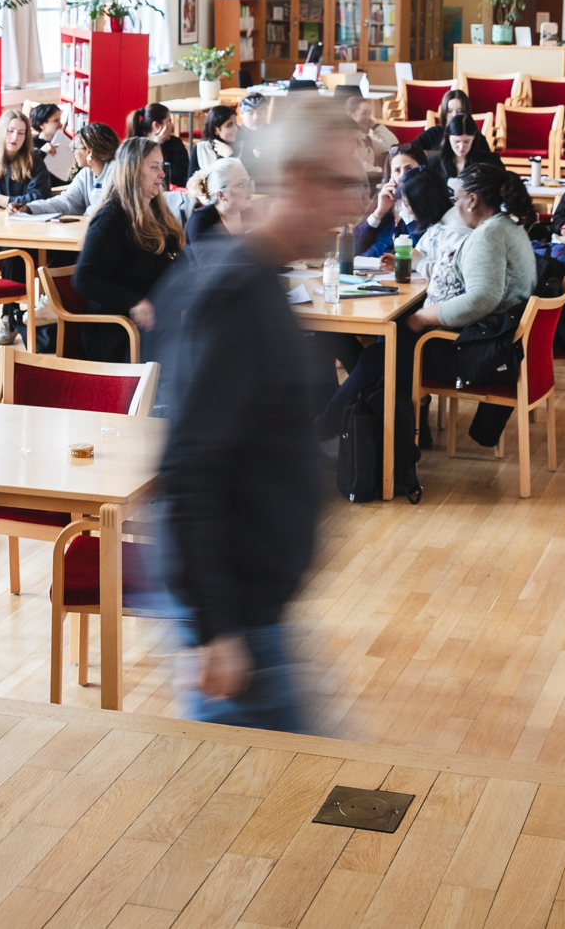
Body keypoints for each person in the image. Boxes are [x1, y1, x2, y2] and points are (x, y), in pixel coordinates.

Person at [144, 98, 365, 730]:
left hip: (261, 614)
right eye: (341, 184)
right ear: (296, 179)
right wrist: (215, 631)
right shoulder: (236, 293)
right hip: (238, 625)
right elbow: (188, 469)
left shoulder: (263, 281)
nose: (352, 204)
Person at [323, 160, 538, 448]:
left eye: (457, 198)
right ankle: (388, 428)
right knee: (382, 353)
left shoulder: (488, 236)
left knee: (379, 357)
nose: (455, 206)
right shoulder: (505, 227)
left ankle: (326, 429)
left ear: (473, 201)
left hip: (479, 352)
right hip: (494, 343)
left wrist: (424, 317)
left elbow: (481, 299)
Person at [72, 136, 183, 363]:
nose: (162, 174)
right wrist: (135, 301)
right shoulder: (112, 217)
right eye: (154, 167)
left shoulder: (156, 209)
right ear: (133, 171)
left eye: (162, 166)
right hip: (120, 329)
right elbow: (84, 278)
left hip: (156, 322)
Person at [354, 146, 447, 257]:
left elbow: (425, 250)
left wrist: (409, 212)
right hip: (369, 267)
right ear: (391, 176)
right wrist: (379, 213)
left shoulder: (432, 204)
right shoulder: (385, 201)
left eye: (409, 169)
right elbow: (354, 247)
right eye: (397, 171)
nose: (403, 176)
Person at [10, 122, 118, 218]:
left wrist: (88, 212)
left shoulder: (116, 172)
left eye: (75, 148)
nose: (73, 152)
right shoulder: (86, 173)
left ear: (89, 152)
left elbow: (108, 208)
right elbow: (65, 202)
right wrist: (29, 208)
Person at [185, 159, 252, 248]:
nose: (251, 188)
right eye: (241, 185)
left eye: (249, 182)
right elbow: (212, 261)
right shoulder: (200, 222)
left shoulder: (247, 212)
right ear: (221, 195)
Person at [410, 90, 492, 162]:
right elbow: (411, 150)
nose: (454, 115)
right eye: (449, 111)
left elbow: (489, 165)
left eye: (459, 111)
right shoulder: (434, 133)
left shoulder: (478, 137)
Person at [129, 102, 191, 189]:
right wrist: (156, 145)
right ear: (156, 125)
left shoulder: (175, 143)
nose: (172, 126)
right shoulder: (135, 146)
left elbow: (180, 178)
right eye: (169, 121)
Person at [429, 114, 503, 187]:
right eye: (457, 141)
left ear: (474, 136)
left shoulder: (490, 161)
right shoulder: (434, 162)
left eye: (466, 142)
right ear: (448, 136)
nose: (461, 147)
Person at [345, 92, 396, 174]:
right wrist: (382, 173)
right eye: (364, 113)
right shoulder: (346, 140)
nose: (368, 118)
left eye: (369, 114)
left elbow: (392, 145)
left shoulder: (365, 139)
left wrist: (375, 126)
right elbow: (359, 165)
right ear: (350, 115)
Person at [30, 103, 75, 188]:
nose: (60, 124)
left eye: (60, 120)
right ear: (42, 124)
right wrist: (42, 153)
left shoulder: (64, 141)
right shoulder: (32, 145)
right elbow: (29, 171)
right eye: (55, 121)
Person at [195, 104, 243, 174]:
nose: (236, 128)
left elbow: (244, 177)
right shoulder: (202, 148)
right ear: (216, 130)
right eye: (229, 125)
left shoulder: (242, 145)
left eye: (235, 123)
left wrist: (231, 156)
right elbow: (191, 183)